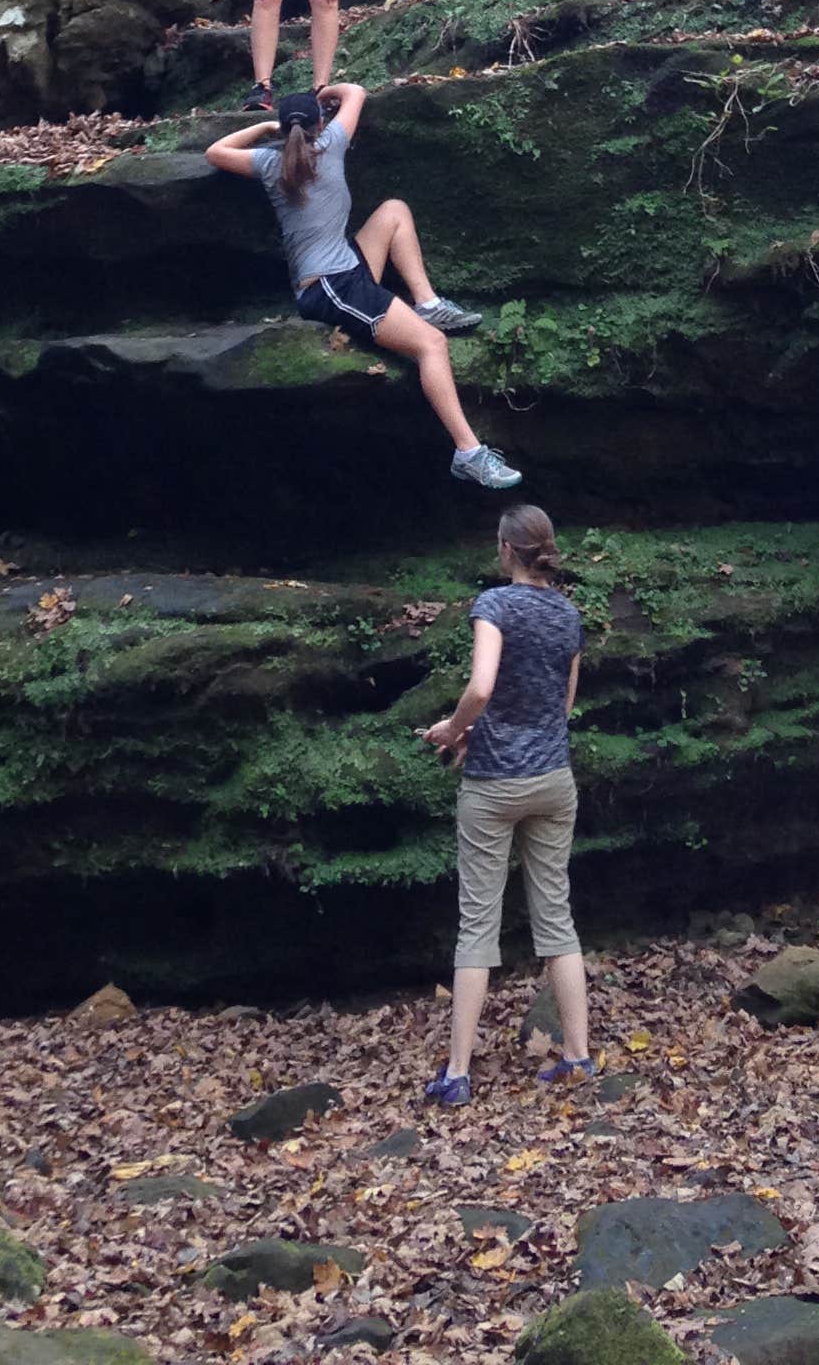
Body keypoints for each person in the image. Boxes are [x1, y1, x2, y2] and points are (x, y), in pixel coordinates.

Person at [205, 82, 523, 493]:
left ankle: (426, 301)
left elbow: (215, 152)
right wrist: (323, 95)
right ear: (322, 123)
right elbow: (354, 92)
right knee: (432, 345)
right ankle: (467, 452)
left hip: (346, 268)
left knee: (393, 211)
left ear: (287, 132)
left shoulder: (270, 162)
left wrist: (266, 128)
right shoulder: (333, 142)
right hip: (329, 287)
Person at [417, 503, 591, 1106]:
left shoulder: (493, 606)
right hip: (552, 781)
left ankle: (459, 1073)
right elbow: (560, 707)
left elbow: (484, 687)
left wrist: (452, 730)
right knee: (556, 919)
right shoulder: (570, 615)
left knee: (477, 927)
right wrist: (480, 729)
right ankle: (578, 1058)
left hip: (493, 787)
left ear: (504, 549)